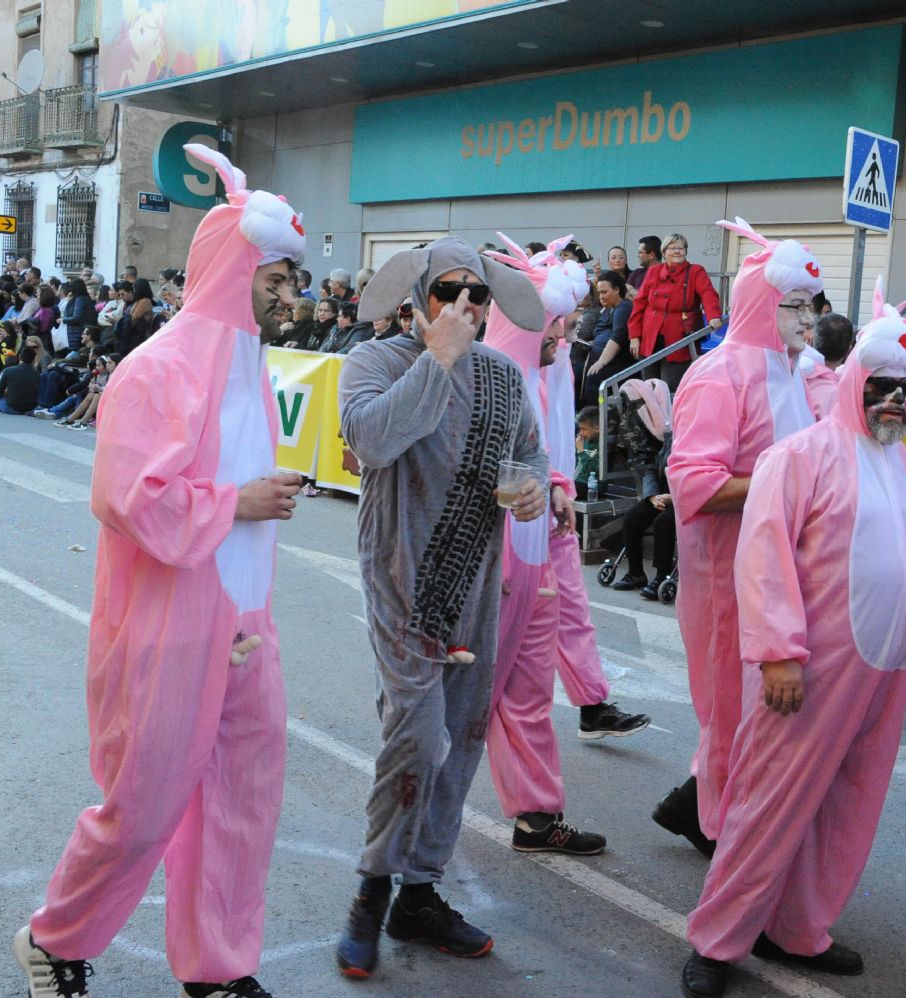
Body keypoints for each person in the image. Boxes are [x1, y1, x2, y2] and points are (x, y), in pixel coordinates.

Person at [12, 147, 305, 998]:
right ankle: (54, 939)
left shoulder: (252, 369)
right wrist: (239, 503)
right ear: (236, 269)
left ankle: (218, 969)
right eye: (276, 280)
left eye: (291, 282)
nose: (291, 297)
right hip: (169, 629)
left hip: (247, 622)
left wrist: (250, 509)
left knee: (241, 806)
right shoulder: (157, 369)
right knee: (141, 809)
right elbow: (126, 497)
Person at [680, 286, 906, 998]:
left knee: (848, 809)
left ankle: (799, 928)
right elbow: (762, 559)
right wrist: (781, 654)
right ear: (858, 379)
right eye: (883, 385)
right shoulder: (799, 457)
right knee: (768, 806)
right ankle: (717, 938)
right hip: (811, 669)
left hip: (882, 676)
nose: (895, 400)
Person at [334, 236, 549, 979]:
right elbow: (371, 438)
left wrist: (530, 491)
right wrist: (438, 358)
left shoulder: (504, 377)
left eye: (477, 295)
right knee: (417, 739)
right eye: (447, 291)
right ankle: (371, 889)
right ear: (417, 297)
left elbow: (531, 455)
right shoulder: (376, 361)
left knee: (460, 737)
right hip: (401, 579)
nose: (463, 305)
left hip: (476, 585)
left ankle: (418, 893)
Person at [653, 218, 821, 857]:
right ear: (764, 302)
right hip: (726, 580)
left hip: (781, 581)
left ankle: (706, 810)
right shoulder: (719, 373)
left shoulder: (795, 372)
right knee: (729, 714)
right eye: (794, 306)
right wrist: (789, 480)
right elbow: (694, 483)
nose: (807, 320)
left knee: (753, 721)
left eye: (812, 307)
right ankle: (727, 844)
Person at [478, 235, 618, 856]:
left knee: (529, 691)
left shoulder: (540, 374)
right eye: (555, 320)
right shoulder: (485, 379)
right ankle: (406, 857)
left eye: (567, 319)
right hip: (487, 570)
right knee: (459, 705)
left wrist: (557, 486)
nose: (566, 331)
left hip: (534, 561)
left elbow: (535, 455)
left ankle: (536, 817)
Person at [628, 233, 723, 391]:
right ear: (664, 252)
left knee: (671, 388)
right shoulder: (654, 271)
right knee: (648, 387)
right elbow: (640, 303)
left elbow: (708, 294)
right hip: (651, 336)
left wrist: (714, 316)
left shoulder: (696, 271)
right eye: (672, 248)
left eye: (681, 248)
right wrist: (634, 336)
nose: (677, 251)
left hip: (679, 337)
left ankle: (671, 416)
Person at [611, 379, 677, 598]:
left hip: (683, 497)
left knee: (663, 523)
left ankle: (662, 575)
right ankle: (636, 573)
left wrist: (674, 497)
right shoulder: (669, 436)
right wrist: (652, 496)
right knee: (632, 518)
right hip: (661, 494)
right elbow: (652, 466)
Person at [581, 270, 635, 405]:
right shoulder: (609, 308)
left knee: (594, 379)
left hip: (618, 363)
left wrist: (602, 362)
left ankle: (596, 421)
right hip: (596, 356)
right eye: (599, 293)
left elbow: (618, 336)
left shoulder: (624, 307)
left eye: (604, 292)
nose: (601, 297)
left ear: (616, 289)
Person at [0, 345, 41, 415]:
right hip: (30, 407)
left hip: (10, 407)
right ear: (34, 359)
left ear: (20, 357)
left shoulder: (9, 370)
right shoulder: (37, 374)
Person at [59, 279, 97, 353]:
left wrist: (63, 320)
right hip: (76, 333)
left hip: (77, 333)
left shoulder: (80, 299)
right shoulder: (84, 298)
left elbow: (76, 318)